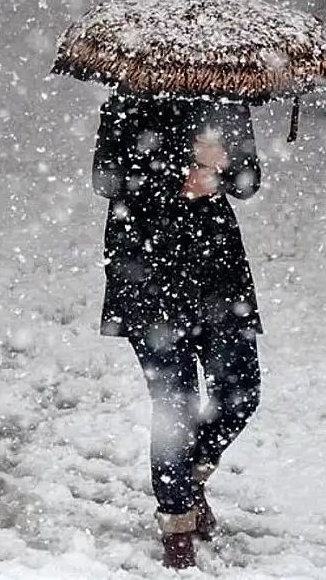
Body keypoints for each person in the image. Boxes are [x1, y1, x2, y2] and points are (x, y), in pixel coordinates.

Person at [91, 89, 263, 569]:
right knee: (175, 406)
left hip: (217, 271)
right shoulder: (127, 102)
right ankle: (176, 526)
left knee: (241, 390)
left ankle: (186, 480)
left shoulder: (226, 100)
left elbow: (249, 182)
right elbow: (107, 180)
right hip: (146, 268)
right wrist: (181, 171)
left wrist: (222, 168)